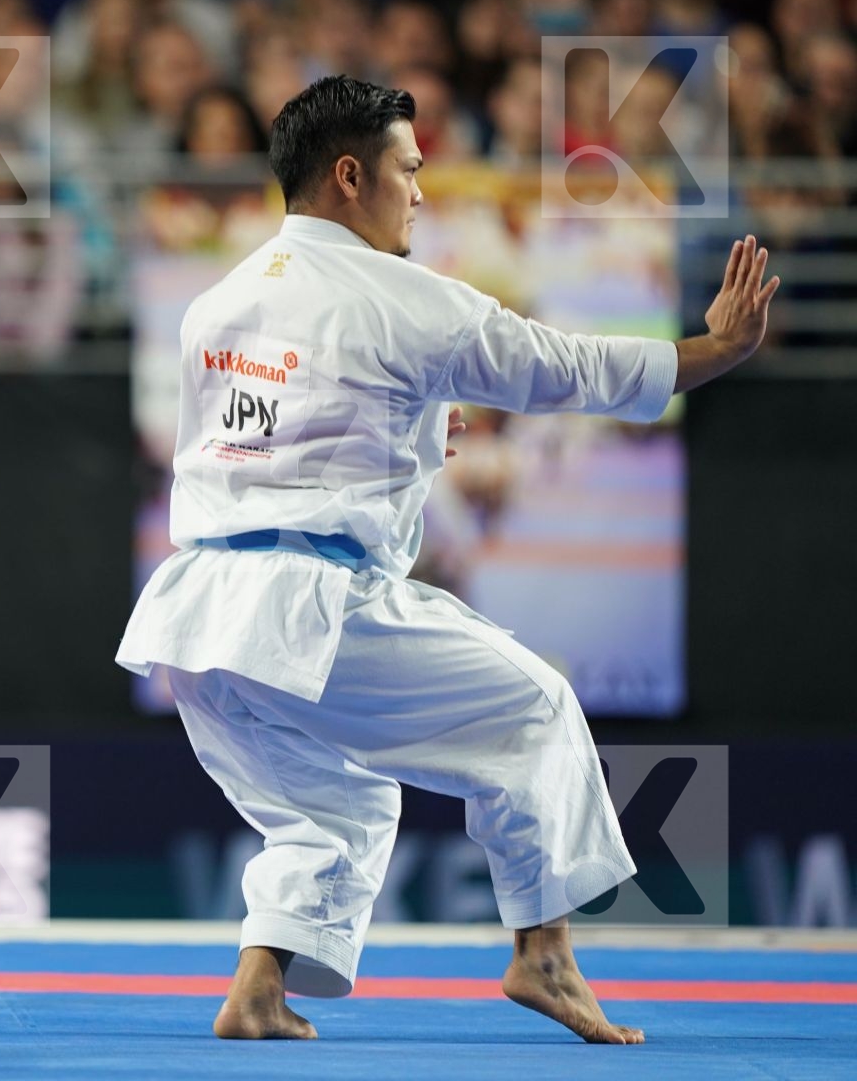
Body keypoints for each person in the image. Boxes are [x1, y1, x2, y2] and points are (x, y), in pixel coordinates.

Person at [116, 75, 778, 1045]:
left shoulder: (219, 302)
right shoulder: (406, 298)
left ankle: (257, 988)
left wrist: (418, 434)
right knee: (535, 707)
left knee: (330, 810)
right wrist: (711, 349)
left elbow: (269, 438)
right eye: (409, 169)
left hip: (198, 618)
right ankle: (543, 954)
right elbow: (565, 370)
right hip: (310, 603)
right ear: (351, 175)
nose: (421, 193)